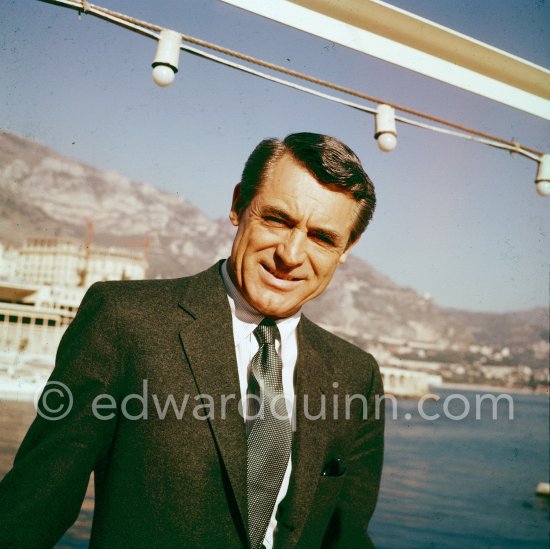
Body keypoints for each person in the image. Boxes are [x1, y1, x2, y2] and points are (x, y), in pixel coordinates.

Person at [0, 132, 384, 548]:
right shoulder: (125, 321)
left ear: (348, 247)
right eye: (278, 219)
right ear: (239, 205)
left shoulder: (355, 376)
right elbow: (32, 508)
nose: (290, 255)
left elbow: (347, 539)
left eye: (321, 237)